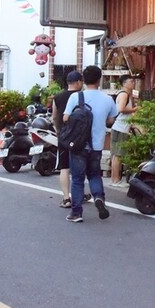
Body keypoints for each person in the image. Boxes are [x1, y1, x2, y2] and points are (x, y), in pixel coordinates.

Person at [64, 65, 117, 223]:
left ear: (84, 80)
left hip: (78, 145)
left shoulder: (76, 97)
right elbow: (111, 120)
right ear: (99, 80)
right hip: (97, 145)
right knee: (94, 175)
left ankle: (76, 213)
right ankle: (99, 197)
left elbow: (65, 118)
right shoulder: (108, 99)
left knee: (77, 179)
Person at [51, 71, 91, 208]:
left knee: (64, 167)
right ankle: (79, 194)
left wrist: (58, 130)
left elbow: (54, 116)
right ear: (79, 82)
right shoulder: (82, 96)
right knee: (79, 167)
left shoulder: (58, 96)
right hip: (80, 137)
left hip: (64, 136)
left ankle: (66, 198)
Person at [109, 74, 138, 187]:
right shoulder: (124, 94)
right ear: (125, 83)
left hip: (119, 128)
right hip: (120, 128)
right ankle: (116, 180)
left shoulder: (123, 94)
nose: (133, 83)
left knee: (116, 155)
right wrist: (134, 109)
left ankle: (114, 180)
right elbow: (121, 109)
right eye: (131, 81)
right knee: (118, 155)